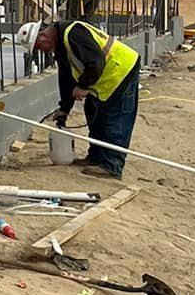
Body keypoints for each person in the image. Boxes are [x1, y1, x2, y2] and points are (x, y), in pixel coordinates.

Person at [20, 17, 140, 178]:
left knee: (115, 118)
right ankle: (96, 158)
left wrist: (83, 85)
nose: (42, 51)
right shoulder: (61, 46)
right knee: (93, 112)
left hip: (122, 70)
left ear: (43, 36)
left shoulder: (73, 33)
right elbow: (67, 79)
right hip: (104, 78)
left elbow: (96, 61)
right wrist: (64, 108)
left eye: (39, 47)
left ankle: (112, 165)